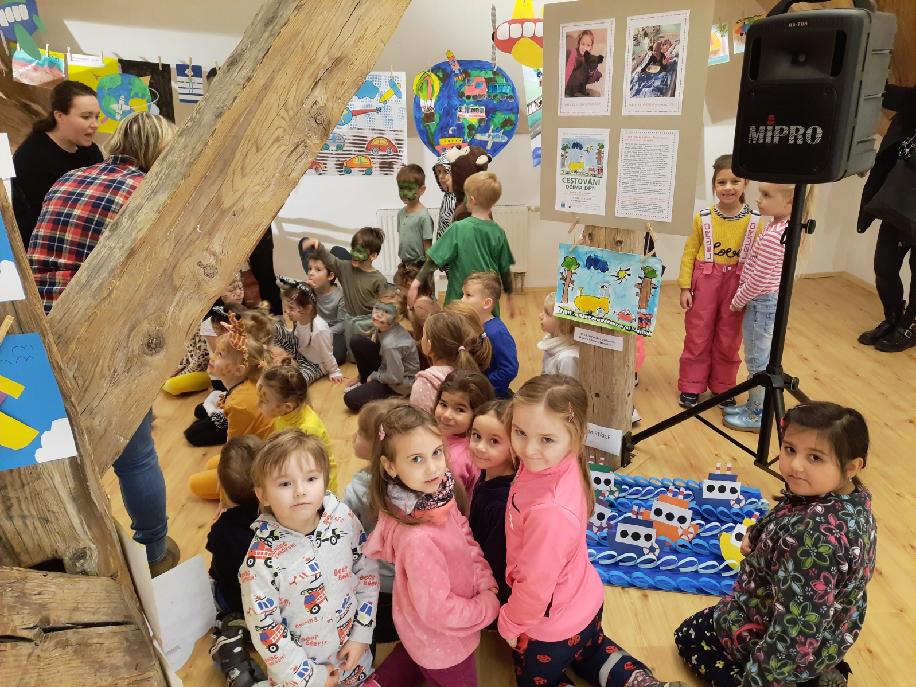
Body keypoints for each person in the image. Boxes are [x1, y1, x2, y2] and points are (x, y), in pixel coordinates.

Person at [26, 111, 178, 575]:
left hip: (36, 330)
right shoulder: (147, 192)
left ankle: (66, 554)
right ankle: (153, 550)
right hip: (99, 336)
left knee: (49, 455)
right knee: (136, 454)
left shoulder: (69, 178)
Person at [501, 374, 686, 687]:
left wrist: (509, 622)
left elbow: (534, 588)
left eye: (546, 439)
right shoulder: (564, 458)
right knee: (595, 653)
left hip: (549, 630)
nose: (528, 449)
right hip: (584, 601)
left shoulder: (549, 513)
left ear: (577, 435)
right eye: (520, 432)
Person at [675, 402, 876, 687]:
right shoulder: (852, 502)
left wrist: (760, 679)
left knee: (690, 636)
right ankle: (816, 672)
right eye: (790, 449)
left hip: (780, 639)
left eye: (815, 457)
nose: (795, 465)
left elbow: (795, 632)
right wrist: (757, 534)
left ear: (852, 466)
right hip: (832, 634)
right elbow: (789, 508)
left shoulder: (813, 538)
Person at [362, 405, 500, 686]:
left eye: (437, 452)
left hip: (421, 628)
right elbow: (440, 612)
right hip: (445, 644)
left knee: (415, 657)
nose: (433, 467)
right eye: (416, 459)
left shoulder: (433, 495)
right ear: (390, 466)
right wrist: (486, 607)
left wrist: (484, 579)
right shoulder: (418, 539)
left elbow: (463, 533)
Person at [241, 430, 379, 687]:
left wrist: (362, 634)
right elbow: (266, 630)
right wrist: (312, 677)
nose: (300, 491)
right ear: (262, 494)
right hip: (301, 678)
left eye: (311, 479)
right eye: (285, 483)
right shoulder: (259, 561)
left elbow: (367, 573)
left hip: (355, 659)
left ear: (324, 481)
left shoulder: (343, 518)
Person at [725, 183, 816, 432]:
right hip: (763, 301)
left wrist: (738, 300)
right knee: (758, 355)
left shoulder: (776, 236)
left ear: (790, 203)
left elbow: (758, 279)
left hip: (761, 303)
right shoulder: (778, 227)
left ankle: (757, 414)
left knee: (758, 360)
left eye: (766, 195)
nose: (758, 199)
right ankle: (753, 405)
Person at [677, 154, 760, 409]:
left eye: (735, 181)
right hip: (705, 282)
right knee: (698, 334)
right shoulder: (703, 218)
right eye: (721, 182)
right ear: (714, 185)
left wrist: (753, 292)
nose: (728, 188)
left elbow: (757, 259)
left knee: (729, 337)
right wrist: (685, 287)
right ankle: (691, 384)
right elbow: (689, 252)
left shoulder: (754, 221)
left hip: (737, 285)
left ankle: (723, 386)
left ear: (745, 184)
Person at [343, 398, 409, 651]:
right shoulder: (416, 487)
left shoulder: (358, 491)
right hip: (409, 583)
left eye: (361, 433)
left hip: (375, 585)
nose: (353, 436)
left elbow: (344, 539)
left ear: (377, 449)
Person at [856, 84, 916, 352]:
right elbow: (881, 91)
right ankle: (892, 318)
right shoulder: (909, 107)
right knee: (884, 266)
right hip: (897, 203)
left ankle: (909, 327)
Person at [188, 314, 274, 501]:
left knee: (194, 484)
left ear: (239, 370)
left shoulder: (238, 403)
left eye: (220, 355)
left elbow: (233, 451)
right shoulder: (245, 387)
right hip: (260, 451)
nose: (212, 356)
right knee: (211, 463)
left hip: (264, 464)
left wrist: (226, 501)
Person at [408, 171, 514, 316]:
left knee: (455, 330)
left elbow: (432, 261)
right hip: (486, 307)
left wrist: (415, 284)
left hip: (459, 304)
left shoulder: (458, 228)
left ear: (471, 200)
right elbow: (505, 270)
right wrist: (510, 298)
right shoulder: (499, 233)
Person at [205, 436, 266, 687]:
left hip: (239, 601)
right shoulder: (278, 516)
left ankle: (232, 625)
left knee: (212, 584)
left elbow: (221, 570)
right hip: (274, 602)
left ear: (221, 487)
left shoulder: (224, 530)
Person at [12, 80, 103, 247]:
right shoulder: (32, 158)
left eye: (96, 117)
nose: (95, 125)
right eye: (86, 117)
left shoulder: (90, 150)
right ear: (59, 116)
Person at [300, 228, 388, 349]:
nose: (354, 255)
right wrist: (318, 245)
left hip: (369, 324)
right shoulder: (345, 268)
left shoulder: (379, 280)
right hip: (350, 323)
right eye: (353, 249)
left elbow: (385, 307)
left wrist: (377, 329)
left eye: (360, 251)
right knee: (352, 352)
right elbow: (330, 259)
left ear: (373, 255)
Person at [256, 364, 337, 492]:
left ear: (287, 407)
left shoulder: (307, 430)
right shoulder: (285, 415)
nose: (257, 404)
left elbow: (312, 473)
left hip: (320, 488)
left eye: (263, 401)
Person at [468, 399, 515, 604]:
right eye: (476, 436)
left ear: (514, 448)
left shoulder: (502, 506)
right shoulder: (487, 473)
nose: (480, 447)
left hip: (491, 593)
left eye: (494, 441)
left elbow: (496, 565)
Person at [344, 287, 420, 412]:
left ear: (398, 317)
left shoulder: (391, 344)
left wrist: (375, 376)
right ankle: (364, 380)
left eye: (387, 311)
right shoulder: (384, 326)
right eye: (377, 308)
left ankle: (391, 396)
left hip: (398, 384)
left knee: (350, 399)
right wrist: (360, 376)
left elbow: (396, 377)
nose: (379, 314)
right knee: (357, 341)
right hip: (388, 367)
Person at [410, 309, 491, 414]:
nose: (421, 339)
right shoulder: (471, 373)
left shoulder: (425, 382)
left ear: (429, 346)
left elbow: (418, 421)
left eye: (424, 335)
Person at [435, 369, 495, 498]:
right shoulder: (453, 437)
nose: (446, 415)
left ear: (478, 413)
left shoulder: (455, 459)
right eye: (443, 404)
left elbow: (443, 501)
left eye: (460, 409)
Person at [462, 271, 518, 398]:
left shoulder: (497, 333)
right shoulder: (473, 325)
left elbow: (509, 369)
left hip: (491, 396)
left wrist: (484, 385)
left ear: (486, 303)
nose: (462, 300)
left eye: (468, 295)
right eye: (463, 294)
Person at [275, 277, 342, 384]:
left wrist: (334, 371)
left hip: (315, 365)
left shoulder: (319, 330)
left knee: (295, 383)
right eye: (286, 308)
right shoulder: (299, 319)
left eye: (291, 308)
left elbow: (327, 354)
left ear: (308, 308)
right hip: (300, 352)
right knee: (274, 327)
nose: (286, 311)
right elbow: (297, 334)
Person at [393, 164, 434, 295]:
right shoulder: (400, 214)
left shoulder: (424, 217)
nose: (405, 193)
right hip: (405, 265)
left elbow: (428, 249)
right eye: (401, 188)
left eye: (410, 189)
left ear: (422, 190)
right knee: (406, 296)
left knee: (422, 298)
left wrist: (427, 275)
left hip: (420, 266)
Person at [306, 251, 348, 364]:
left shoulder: (340, 295)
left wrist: (324, 332)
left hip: (333, 331)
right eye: (310, 269)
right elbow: (280, 283)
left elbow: (342, 324)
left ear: (330, 276)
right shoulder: (309, 291)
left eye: (317, 270)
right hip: (315, 328)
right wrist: (305, 290)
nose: (311, 273)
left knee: (338, 355)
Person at [538, 293, 579, 377]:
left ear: (563, 325)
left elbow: (569, 385)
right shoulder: (551, 341)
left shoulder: (568, 359)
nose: (540, 316)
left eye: (547, 313)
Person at [432, 153, 456, 244]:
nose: (441, 176)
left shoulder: (460, 199)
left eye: (446, 172)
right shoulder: (446, 197)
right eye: (439, 172)